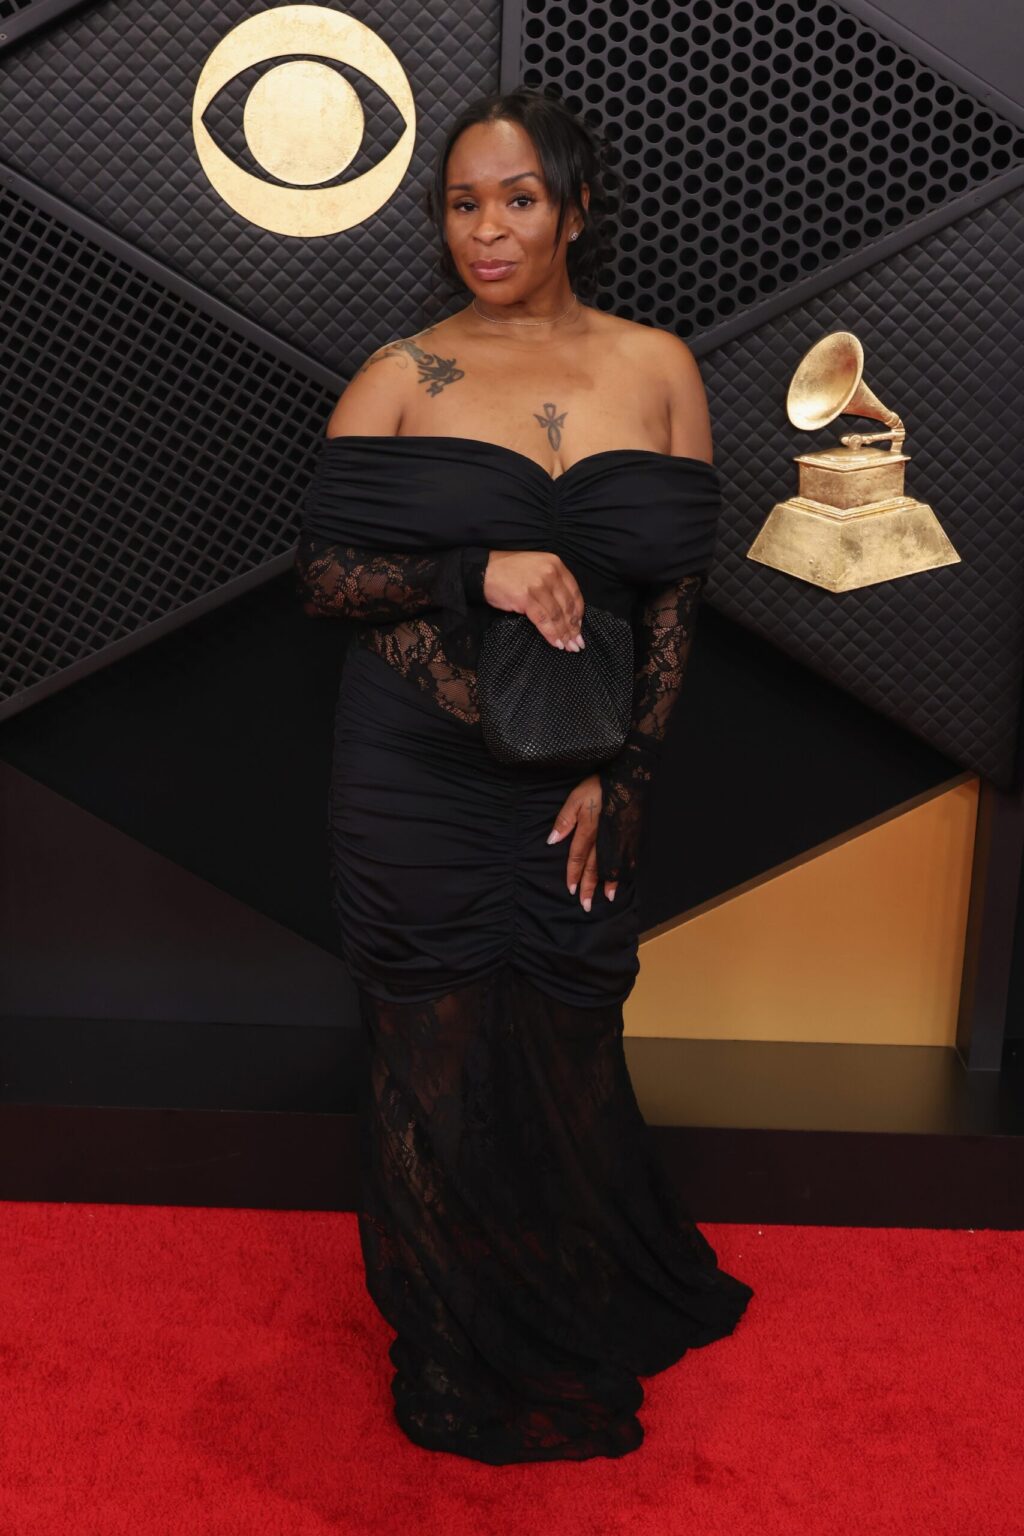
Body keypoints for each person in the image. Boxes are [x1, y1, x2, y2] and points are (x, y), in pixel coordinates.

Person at [293, 87, 754, 1465]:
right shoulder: (399, 372)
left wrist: (631, 777)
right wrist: (468, 569)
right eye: (461, 203)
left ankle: (564, 1295)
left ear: (575, 208)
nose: (486, 230)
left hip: (575, 769)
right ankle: (456, 1342)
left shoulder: (660, 366)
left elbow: (674, 598)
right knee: (427, 1053)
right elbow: (322, 578)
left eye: (517, 199)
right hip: (411, 767)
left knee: (564, 1035)